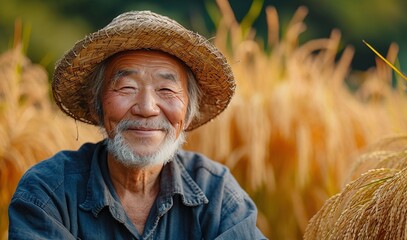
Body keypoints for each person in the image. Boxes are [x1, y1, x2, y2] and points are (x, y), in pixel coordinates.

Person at [8, 10, 267, 239]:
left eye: (166, 89)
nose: (146, 108)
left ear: (188, 111)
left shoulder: (217, 193)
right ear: (97, 104)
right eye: (127, 87)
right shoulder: (49, 192)